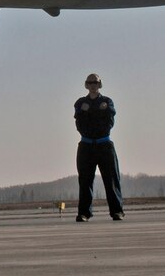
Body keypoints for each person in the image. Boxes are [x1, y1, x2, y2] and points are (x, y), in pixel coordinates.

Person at [73, 73, 124, 221]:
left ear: (99, 84)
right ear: (86, 85)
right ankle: (84, 213)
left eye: (95, 82)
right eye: (90, 83)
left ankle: (117, 211)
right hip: (86, 145)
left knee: (111, 180)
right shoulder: (80, 102)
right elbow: (80, 122)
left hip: (104, 144)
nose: (93, 85)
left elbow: (109, 122)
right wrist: (96, 112)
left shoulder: (107, 101)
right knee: (85, 181)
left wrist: (89, 113)